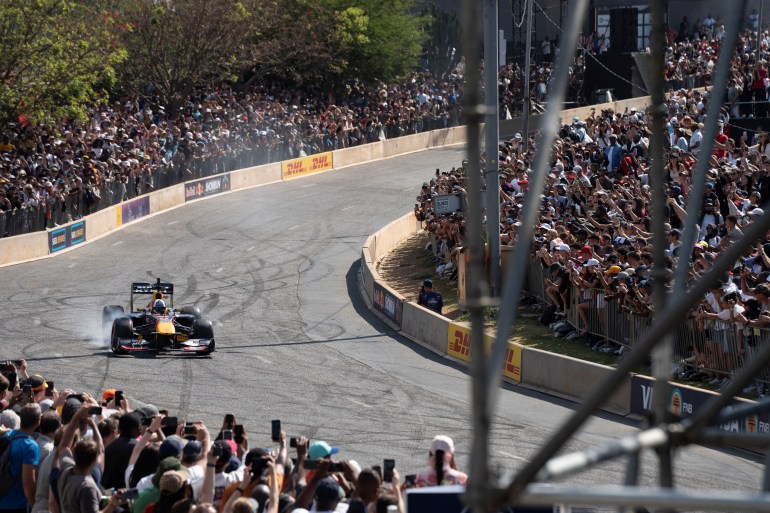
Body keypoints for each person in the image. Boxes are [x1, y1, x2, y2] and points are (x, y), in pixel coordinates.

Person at [0, 404, 41, 513]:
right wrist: (34, 506)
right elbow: (28, 481)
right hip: (16, 505)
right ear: (38, 422)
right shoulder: (30, 446)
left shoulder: (7, 435)